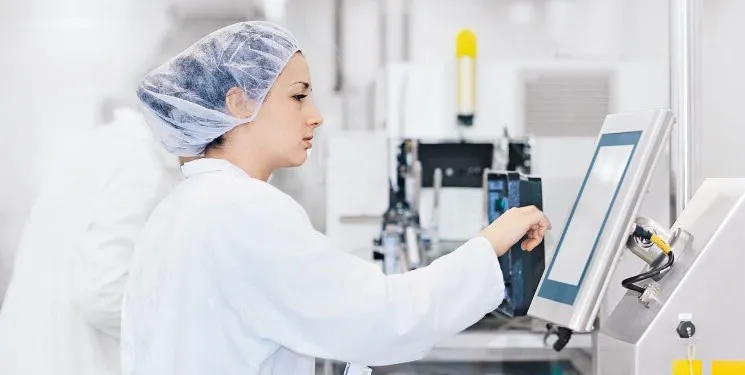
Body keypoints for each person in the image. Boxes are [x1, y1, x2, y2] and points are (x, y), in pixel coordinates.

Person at [124, 21, 552, 375]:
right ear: (238, 103)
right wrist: (490, 244)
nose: (316, 116)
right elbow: (386, 320)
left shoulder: (179, 208)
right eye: (298, 96)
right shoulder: (243, 209)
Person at [0, 108, 184, 375]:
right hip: (69, 361)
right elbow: (102, 294)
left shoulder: (108, 142)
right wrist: (178, 331)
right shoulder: (141, 164)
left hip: (29, 353)